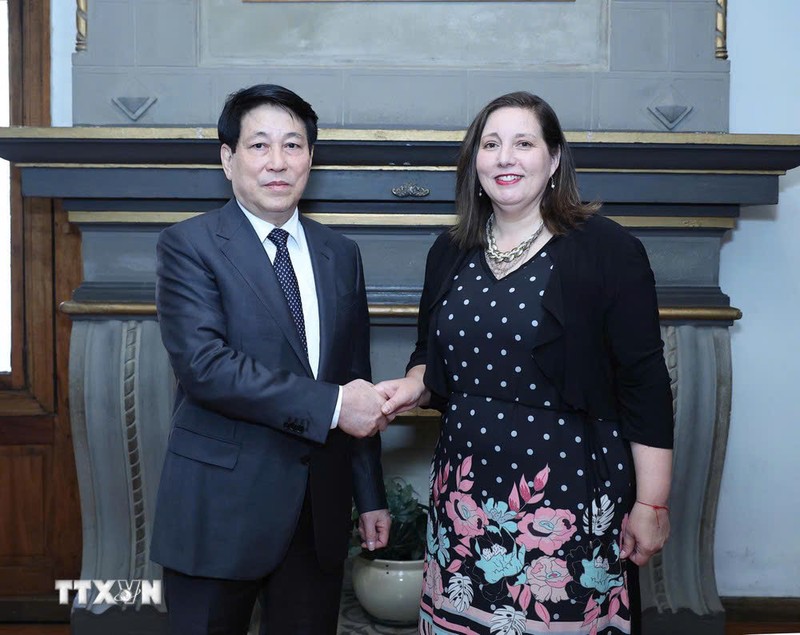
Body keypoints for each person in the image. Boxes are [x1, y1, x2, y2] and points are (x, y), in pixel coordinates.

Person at [375, 91, 673, 635]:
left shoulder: (607, 250)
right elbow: (430, 355)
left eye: (523, 143)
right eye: (491, 144)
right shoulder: (449, 250)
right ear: (474, 162)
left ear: (554, 158)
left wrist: (652, 503)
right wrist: (413, 387)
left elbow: (645, 384)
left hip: (565, 500)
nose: (505, 157)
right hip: (463, 495)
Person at [150, 84, 391, 635]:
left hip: (316, 516)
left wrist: (369, 496)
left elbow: (356, 379)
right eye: (259, 146)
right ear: (228, 159)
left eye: (293, 145)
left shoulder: (340, 254)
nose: (278, 162)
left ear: (311, 157)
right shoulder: (189, 246)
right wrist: (332, 405)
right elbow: (206, 367)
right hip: (218, 513)